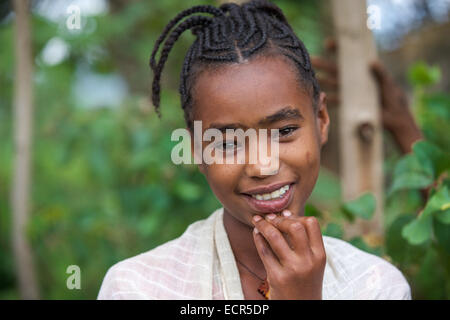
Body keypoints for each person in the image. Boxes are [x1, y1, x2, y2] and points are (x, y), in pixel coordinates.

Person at [97, 0, 411, 300]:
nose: (262, 166)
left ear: (321, 120)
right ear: (196, 149)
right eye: (228, 143)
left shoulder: (374, 286)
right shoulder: (137, 288)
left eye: (284, 131)